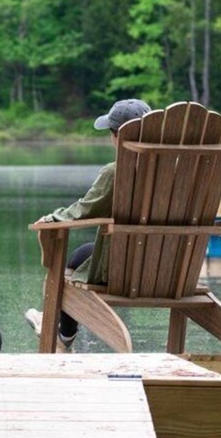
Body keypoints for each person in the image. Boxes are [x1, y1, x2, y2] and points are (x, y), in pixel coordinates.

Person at [27, 98, 151, 352]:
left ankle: (63, 336)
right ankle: (61, 331)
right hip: (168, 268)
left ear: (117, 137)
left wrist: (53, 219)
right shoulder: (180, 172)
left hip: (123, 270)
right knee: (81, 254)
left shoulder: (116, 172)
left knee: (63, 273)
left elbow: (86, 210)